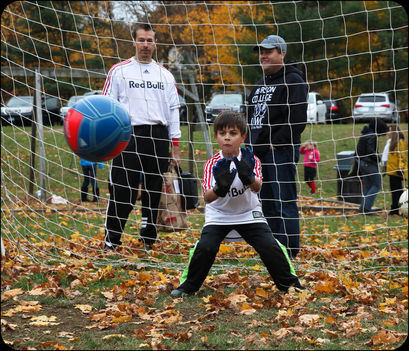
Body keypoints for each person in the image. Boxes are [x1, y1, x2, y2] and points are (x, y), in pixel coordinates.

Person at [171, 111, 306, 298]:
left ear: (242, 137)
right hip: (219, 215)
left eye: (233, 133)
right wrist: (220, 187)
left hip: (248, 213)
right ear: (216, 137)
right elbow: (207, 198)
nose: (227, 137)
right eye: (222, 133)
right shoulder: (212, 164)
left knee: (270, 245)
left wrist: (248, 176)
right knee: (205, 247)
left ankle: (290, 284)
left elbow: (257, 187)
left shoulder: (252, 160)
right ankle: (188, 286)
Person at [102, 23, 181, 250]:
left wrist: (175, 146)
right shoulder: (119, 71)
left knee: (153, 189)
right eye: (142, 40)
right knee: (123, 188)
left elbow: (173, 111)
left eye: (150, 40)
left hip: (157, 136)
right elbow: (107, 106)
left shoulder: (165, 75)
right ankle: (112, 239)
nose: (145, 45)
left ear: (155, 44)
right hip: (127, 135)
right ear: (134, 42)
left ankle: (148, 237)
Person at [245, 35, 308, 259]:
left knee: (284, 203)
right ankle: (273, 252)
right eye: (261, 51)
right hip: (257, 154)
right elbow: (250, 118)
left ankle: (289, 252)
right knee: (266, 205)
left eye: (269, 51)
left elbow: (298, 118)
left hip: (279, 152)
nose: (263, 55)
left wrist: (276, 143)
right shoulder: (260, 84)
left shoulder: (294, 80)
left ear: (282, 53)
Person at [356, 118, 388, 215]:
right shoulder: (372, 136)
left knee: (368, 185)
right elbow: (371, 151)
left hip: (362, 163)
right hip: (369, 163)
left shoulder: (365, 134)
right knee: (377, 185)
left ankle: (363, 207)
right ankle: (366, 208)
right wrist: (378, 158)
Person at [385, 125, 407, 215]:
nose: (388, 133)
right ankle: (395, 208)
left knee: (397, 191)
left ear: (394, 132)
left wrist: (400, 168)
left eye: (389, 131)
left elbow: (402, 156)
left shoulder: (400, 142)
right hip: (391, 171)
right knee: (394, 191)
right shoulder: (392, 142)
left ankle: (397, 209)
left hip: (397, 171)